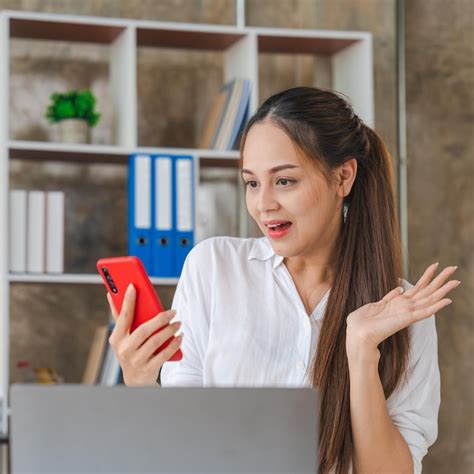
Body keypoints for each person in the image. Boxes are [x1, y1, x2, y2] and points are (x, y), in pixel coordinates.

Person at [106, 87, 460, 474]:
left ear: (342, 176)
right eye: (252, 183)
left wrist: (360, 350)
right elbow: (184, 447)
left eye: (285, 181)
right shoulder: (213, 268)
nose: (264, 204)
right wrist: (140, 383)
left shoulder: (402, 311)